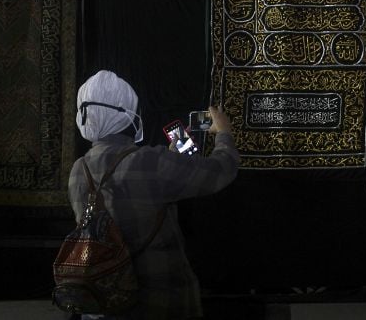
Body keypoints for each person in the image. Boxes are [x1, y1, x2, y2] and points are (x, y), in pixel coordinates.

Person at [68, 70, 240, 319]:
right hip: (160, 303)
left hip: (103, 301)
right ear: (127, 113)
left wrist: (170, 161)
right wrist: (224, 132)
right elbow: (221, 171)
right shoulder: (150, 162)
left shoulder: (77, 170)